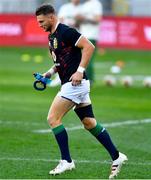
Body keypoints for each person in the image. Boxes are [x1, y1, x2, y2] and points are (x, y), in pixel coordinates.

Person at [35, 4, 128, 179]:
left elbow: (89, 46)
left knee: (53, 119)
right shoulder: (52, 37)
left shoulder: (66, 31)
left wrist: (80, 70)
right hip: (73, 85)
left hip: (75, 84)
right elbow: (59, 63)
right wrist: (48, 74)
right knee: (89, 123)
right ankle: (117, 156)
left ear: (51, 17)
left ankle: (67, 161)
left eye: (41, 21)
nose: (39, 25)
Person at [50, 0, 81, 87]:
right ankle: (59, 77)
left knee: (71, 59)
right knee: (59, 57)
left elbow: (81, 24)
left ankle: (73, 77)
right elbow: (60, 21)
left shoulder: (81, 9)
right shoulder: (65, 8)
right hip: (63, 36)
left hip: (75, 37)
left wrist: (76, 23)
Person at [75, 0, 103, 83]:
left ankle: (89, 80)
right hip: (82, 35)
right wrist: (78, 20)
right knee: (80, 58)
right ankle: (83, 78)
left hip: (91, 35)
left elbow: (98, 19)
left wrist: (84, 18)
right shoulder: (84, 5)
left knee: (87, 58)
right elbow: (78, 24)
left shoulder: (96, 3)